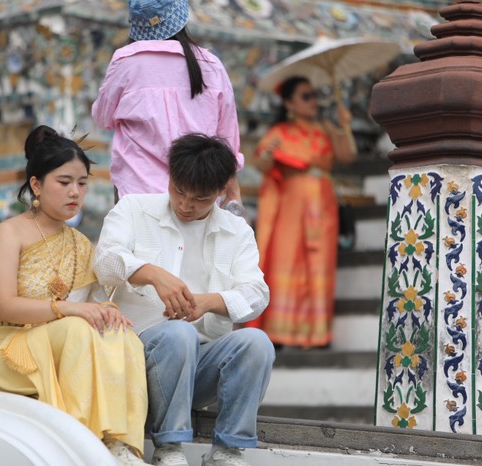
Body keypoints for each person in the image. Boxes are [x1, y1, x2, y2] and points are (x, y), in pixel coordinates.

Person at [94, 134, 274, 466]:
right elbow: (104, 261)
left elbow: (257, 293)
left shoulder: (237, 231)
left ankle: (227, 451)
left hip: (197, 368)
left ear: (221, 191)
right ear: (170, 176)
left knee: (256, 343)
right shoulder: (134, 208)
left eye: (200, 198)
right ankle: (169, 448)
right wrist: (151, 273)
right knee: (178, 334)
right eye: (179, 191)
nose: (186, 205)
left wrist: (209, 302)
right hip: (135, 359)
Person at [0, 125, 150, 466]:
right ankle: (82, 437)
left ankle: (120, 444)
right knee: (77, 328)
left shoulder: (81, 243)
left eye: (82, 183)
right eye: (64, 182)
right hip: (8, 349)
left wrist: (106, 310)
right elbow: (6, 306)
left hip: (63, 343)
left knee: (122, 335)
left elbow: (91, 302)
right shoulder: (9, 233)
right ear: (36, 185)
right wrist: (70, 309)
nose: (75, 192)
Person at [92, 0, 243, 208]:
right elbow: (228, 140)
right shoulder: (211, 65)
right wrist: (233, 191)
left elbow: (103, 118)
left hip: (137, 195)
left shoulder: (125, 62)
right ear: (180, 17)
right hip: (198, 195)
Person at [246, 75, 357, 349]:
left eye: (314, 95)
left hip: (323, 207)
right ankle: (280, 332)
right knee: (286, 261)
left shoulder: (326, 128)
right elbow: (260, 164)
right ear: (289, 103)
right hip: (291, 208)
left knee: (319, 264)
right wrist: (268, 154)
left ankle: (316, 335)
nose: (313, 101)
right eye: (306, 96)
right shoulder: (279, 132)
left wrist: (345, 126)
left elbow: (348, 156)